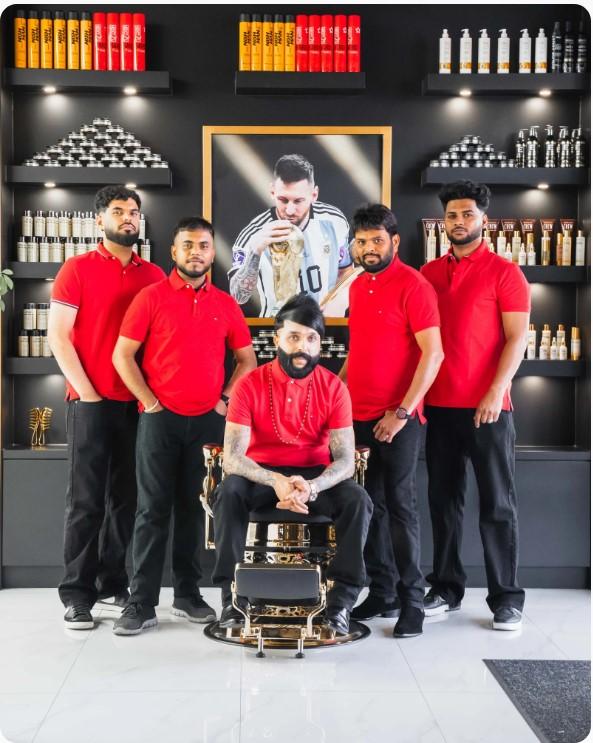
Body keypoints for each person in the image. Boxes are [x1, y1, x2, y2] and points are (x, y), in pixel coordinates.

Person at [111, 217, 256, 635]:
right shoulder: (151, 297)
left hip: (208, 423)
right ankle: (141, 603)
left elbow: (247, 360)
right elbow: (123, 355)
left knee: (195, 509)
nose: (196, 252)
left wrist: (224, 399)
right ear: (174, 252)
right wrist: (150, 402)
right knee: (151, 510)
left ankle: (188, 595)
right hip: (160, 420)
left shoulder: (225, 304)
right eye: (188, 245)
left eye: (204, 245)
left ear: (213, 253)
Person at [212, 294, 373, 636]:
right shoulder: (249, 384)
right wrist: (276, 481)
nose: (303, 347)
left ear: (320, 344)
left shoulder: (333, 387)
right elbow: (233, 457)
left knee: (358, 500)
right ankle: (233, 599)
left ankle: (341, 603)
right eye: (294, 337)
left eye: (311, 338)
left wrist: (311, 487)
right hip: (261, 473)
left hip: (314, 476)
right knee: (228, 492)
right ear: (277, 340)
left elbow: (346, 460)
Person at [48, 185, 165, 630]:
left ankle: (113, 583)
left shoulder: (153, 275)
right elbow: (58, 337)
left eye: (134, 211)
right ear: (100, 220)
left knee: (126, 500)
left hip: (137, 404)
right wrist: (88, 393)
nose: (128, 218)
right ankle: (77, 595)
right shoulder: (76, 269)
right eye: (118, 211)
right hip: (89, 401)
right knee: (85, 501)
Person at [420, 180, 530, 631]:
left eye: (467, 214)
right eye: (452, 215)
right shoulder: (427, 274)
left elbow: (517, 338)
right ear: (443, 222)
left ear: (484, 219)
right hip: (439, 407)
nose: (459, 221)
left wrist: (495, 390)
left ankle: (507, 598)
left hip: (490, 409)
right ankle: (446, 588)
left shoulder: (506, 273)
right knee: (443, 503)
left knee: (498, 504)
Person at [342, 204, 444, 638]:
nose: (369, 248)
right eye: (362, 241)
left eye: (377, 240)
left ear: (395, 242)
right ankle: (382, 591)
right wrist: (336, 394)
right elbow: (358, 350)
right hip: (358, 416)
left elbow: (433, 354)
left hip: (399, 417)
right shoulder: (357, 286)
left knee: (401, 506)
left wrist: (401, 412)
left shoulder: (414, 286)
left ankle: (412, 601)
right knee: (370, 505)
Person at [229, 154, 352, 317]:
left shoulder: (334, 221)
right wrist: (255, 251)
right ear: (272, 191)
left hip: (323, 325)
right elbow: (238, 296)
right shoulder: (253, 234)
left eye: (298, 201)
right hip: (276, 326)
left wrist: (338, 305)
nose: (290, 210)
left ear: (314, 195)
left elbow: (345, 271)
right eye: (283, 200)